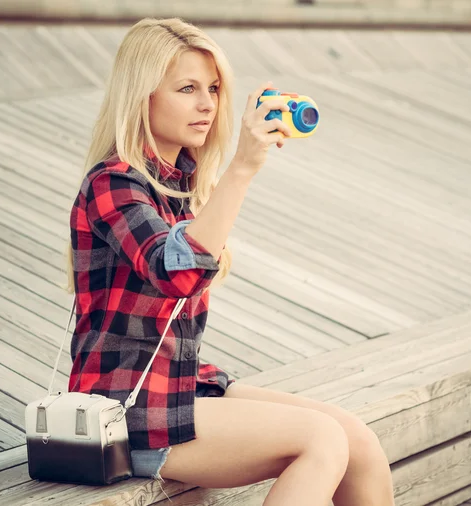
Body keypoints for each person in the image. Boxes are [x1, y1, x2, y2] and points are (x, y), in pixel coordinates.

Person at [66, 17, 395, 506]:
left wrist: (228, 175)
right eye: (187, 88)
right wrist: (242, 168)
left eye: (215, 88)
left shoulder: (179, 184)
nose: (207, 104)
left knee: (355, 437)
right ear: (143, 96)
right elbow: (175, 273)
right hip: (124, 409)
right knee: (321, 440)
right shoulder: (114, 184)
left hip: (181, 384)